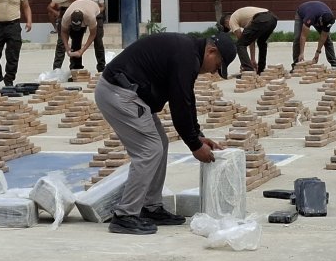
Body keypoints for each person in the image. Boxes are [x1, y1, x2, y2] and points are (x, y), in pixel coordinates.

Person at [94, 32, 236, 235]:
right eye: (217, 65)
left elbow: (186, 97)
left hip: (127, 93)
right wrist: (195, 146)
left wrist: (197, 134)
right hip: (119, 93)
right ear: (211, 51)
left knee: (160, 142)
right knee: (149, 150)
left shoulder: (188, 52)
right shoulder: (186, 55)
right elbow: (179, 104)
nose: (214, 71)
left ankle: (151, 207)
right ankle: (125, 216)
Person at [218, 6, 277, 76]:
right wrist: (252, 60)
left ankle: (248, 71)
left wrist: (245, 62)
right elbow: (250, 40)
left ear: (226, 22)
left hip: (261, 19)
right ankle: (261, 70)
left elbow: (242, 41)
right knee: (261, 43)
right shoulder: (244, 18)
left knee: (239, 44)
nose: (231, 29)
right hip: (272, 19)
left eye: (228, 27)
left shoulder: (232, 19)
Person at [55, 0, 104, 70]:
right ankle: (76, 67)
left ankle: (101, 67)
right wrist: (67, 47)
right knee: (76, 39)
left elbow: (93, 34)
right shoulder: (66, 17)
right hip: (78, 6)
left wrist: (82, 50)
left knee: (98, 40)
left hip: (95, 11)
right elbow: (63, 32)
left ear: (83, 20)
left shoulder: (90, 17)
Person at [292, 0, 336, 70]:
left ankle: (334, 64)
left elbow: (323, 36)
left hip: (317, 13)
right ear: (320, 21)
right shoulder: (310, 16)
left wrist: (318, 52)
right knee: (297, 38)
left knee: (328, 40)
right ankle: (296, 65)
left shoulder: (329, 19)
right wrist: (301, 53)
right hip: (302, 12)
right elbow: (303, 36)